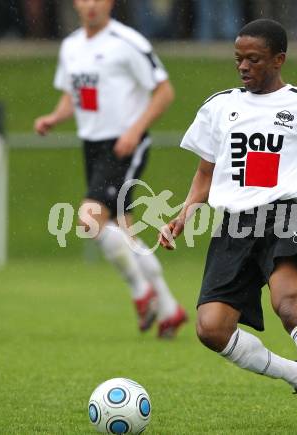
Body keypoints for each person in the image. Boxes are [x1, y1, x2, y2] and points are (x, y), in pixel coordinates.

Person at [159, 18, 297, 434]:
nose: (243, 66)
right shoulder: (219, 106)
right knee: (211, 329)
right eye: (238, 58)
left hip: (283, 217)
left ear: (279, 59)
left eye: (254, 59)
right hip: (233, 228)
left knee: (288, 303)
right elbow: (206, 171)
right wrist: (186, 210)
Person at [34, 0, 187, 338]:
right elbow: (72, 96)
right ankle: (169, 309)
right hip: (92, 145)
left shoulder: (128, 42)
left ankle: (141, 292)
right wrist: (54, 117)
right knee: (125, 234)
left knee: (89, 221)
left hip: (124, 144)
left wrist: (134, 130)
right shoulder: (71, 46)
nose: (91, 5)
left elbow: (164, 92)